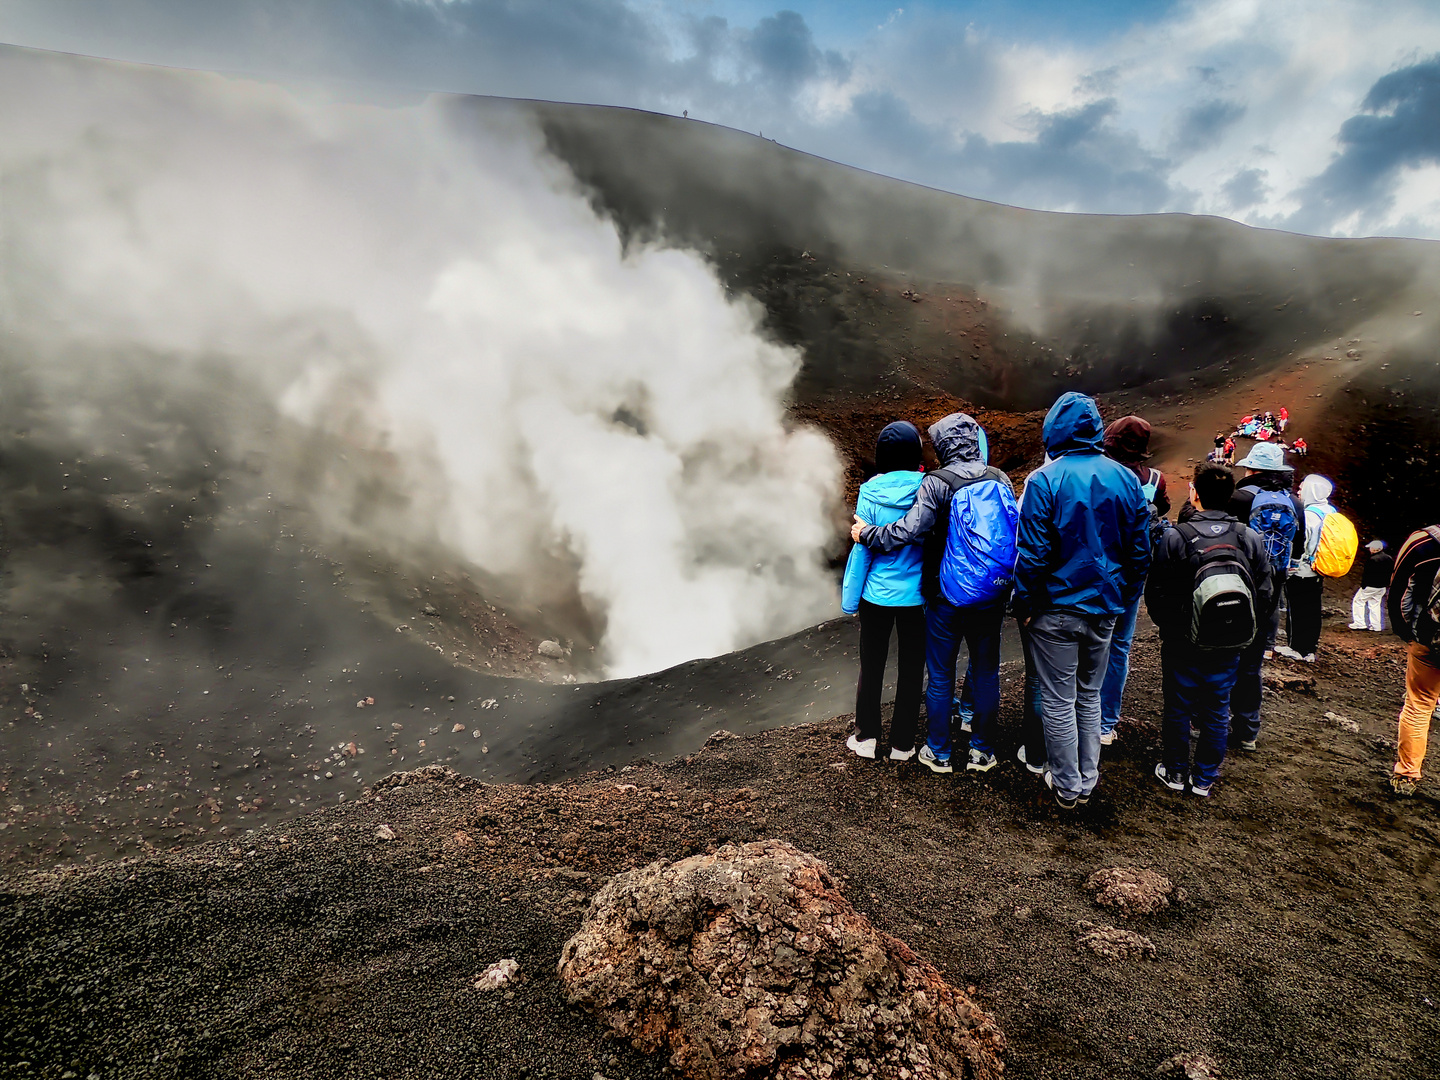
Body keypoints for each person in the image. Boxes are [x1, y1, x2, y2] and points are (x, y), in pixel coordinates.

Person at [851, 414, 1016, 775]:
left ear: (942, 446)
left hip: (946, 594)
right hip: (991, 593)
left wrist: (867, 535)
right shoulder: (1000, 478)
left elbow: (908, 531)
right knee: (986, 671)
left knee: (941, 674)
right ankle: (981, 752)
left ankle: (939, 752)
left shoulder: (937, 483)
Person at [1012, 393, 1151, 809]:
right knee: (1089, 694)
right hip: (1105, 607)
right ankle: (1087, 779)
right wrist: (1123, 597)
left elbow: (1032, 554)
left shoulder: (1043, 480)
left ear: (1053, 429)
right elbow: (1139, 553)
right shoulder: (1127, 479)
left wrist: (1025, 603)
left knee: (1057, 698)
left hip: (1054, 609)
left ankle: (1068, 786)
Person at [1147, 463, 1273, 796]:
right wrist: (1246, 631)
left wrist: (1171, 628)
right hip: (1230, 641)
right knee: (1218, 707)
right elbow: (1265, 591)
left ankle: (1174, 772)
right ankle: (1204, 779)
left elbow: (1157, 591)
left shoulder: (1177, 536)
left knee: (1178, 705)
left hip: (1182, 640)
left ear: (1196, 494)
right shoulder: (1248, 537)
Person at [841, 422, 927, 761]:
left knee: (872, 664)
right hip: (917, 596)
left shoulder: (870, 490)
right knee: (911, 667)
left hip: (875, 596)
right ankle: (903, 744)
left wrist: (850, 600)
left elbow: (862, 549)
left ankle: (866, 739)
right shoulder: (928, 489)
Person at [1223, 442, 1304, 750]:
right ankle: (1248, 730)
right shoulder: (1294, 503)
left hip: (1234, 588)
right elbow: (1297, 549)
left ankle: (1211, 720)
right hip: (1270, 595)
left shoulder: (1239, 498)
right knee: (1251, 666)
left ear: (1253, 470)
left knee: (1220, 657)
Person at [1098, 415, 1170, 747]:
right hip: (1133, 574)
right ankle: (1105, 721)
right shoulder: (1155, 479)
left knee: (1089, 642)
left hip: (1099, 569)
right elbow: (1163, 510)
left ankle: (1079, 713)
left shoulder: (1100, 472)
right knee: (1119, 648)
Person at [1387, 526, 1440, 796]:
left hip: (1428, 639)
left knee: (1419, 706)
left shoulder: (1424, 542)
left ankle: (1406, 775)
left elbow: (1398, 590)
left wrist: (1405, 631)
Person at [1278, 475, 1336, 663]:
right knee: (1313, 610)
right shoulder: (1330, 511)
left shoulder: (1308, 514)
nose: (1299, 491)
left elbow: (1302, 542)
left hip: (1303, 569)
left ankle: (1296, 648)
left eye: (1302, 488)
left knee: (1297, 609)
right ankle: (1309, 649)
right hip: (1320, 568)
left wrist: (1292, 564)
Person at [1350, 541, 1393, 632]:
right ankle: (1376, 626)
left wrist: (1364, 585)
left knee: (1358, 601)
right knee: (1375, 604)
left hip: (1371, 585)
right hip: (1382, 587)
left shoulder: (1372, 559)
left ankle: (1359, 623)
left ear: (1374, 549)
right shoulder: (1389, 558)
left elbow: (1367, 574)